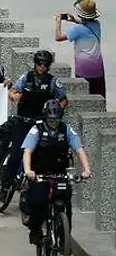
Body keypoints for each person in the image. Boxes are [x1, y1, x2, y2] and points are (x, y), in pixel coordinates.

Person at [20, 99, 93, 244]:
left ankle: (65, 238)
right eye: (51, 120)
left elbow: (79, 149)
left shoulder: (66, 129)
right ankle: (36, 230)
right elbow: (27, 151)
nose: (54, 123)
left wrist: (87, 169)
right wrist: (28, 170)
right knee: (38, 201)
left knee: (66, 203)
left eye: (56, 120)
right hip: (40, 173)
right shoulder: (37, 130)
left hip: (60, 172)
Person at [55, 0, 104, 98]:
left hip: (83, 69)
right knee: (99, 96)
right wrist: (74, 21)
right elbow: (86, 27)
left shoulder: (77, 29)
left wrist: (58, 21)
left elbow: (58, 37)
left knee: (85, 97)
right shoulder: (97, 24)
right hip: (98, 68)